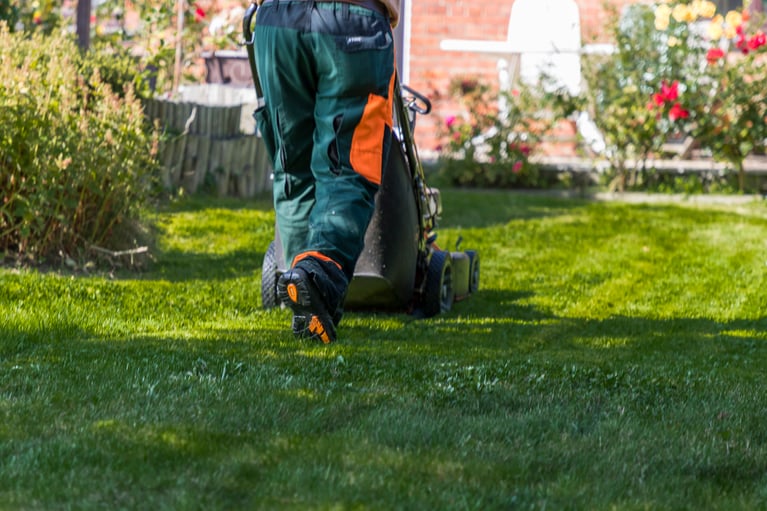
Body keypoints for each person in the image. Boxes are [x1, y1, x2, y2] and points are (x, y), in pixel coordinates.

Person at [253, 0, 400, 343]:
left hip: (277, 21)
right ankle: (315, 277)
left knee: (293, 167)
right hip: (352, 23)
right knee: (347, 167)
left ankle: (298, 285)